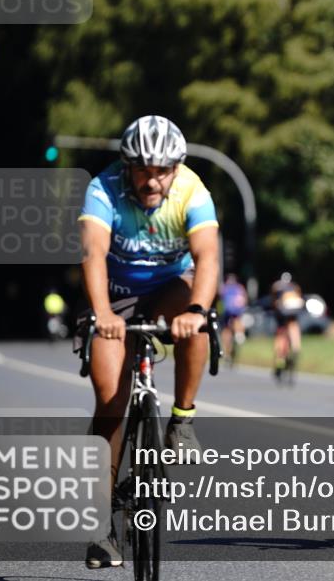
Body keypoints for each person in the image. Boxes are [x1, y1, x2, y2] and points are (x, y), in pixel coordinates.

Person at [76, 115, 219, 568]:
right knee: (110, 402)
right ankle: (101, 528)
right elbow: (93, 254)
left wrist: (195, 311)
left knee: (198, 319)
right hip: (114, 298)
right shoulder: (103, 189)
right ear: (127, 167)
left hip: (167, 289)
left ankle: (182, 420)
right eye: (142, 169)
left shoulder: (193, 190)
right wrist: (101, 313)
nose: (152, 179)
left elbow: (207, 255)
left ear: (176, 168)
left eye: (162, 169)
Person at [271, 272, 303, 380]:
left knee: (280, 334)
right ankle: (295, 347)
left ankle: (280, 359)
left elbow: (273, 300)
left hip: (282, 312)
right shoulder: (295, 287)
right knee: (293, 325)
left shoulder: (276, 286)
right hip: (294, 311)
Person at [219, 273, 248, 359]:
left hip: (227, 312)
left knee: (226, 330)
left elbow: (220, 297)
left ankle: (226, 351)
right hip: (236, 312)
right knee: (237, 321)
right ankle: (239, 334)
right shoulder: (239, 287)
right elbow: (244, 299)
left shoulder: (224, 288)